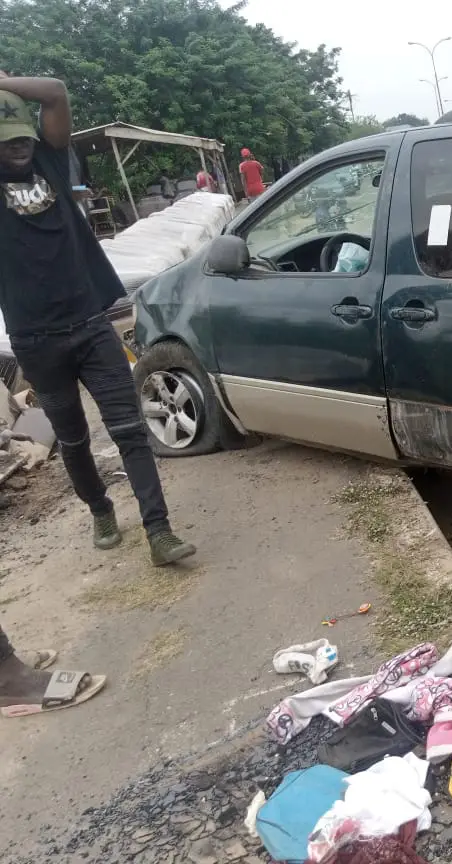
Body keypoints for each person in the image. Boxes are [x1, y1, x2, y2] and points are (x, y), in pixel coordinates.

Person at [0, 75, 195, 713]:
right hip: (35, 339)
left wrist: (3, 83)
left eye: (23, 138)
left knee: (130, 428)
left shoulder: (53, 159)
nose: (20, 150)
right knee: (75, 438)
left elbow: (54, 91)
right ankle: (99, 510)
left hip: (90, 324)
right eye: (8, 144)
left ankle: (160, 531)